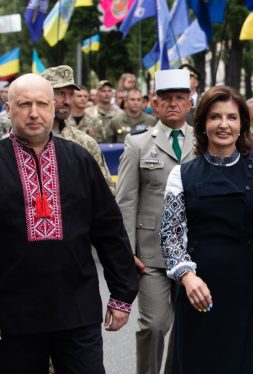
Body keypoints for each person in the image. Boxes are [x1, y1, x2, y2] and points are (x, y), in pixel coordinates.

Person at [0, 73, 138, 373]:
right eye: (24, 104)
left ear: (53, 107)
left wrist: (122, 294)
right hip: (13, 317)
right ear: (8, 109)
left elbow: (109, 229)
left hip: (77, 311)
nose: (34, 113)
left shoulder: (79, 159)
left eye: (41, 104)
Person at [160, 86, 253, 374]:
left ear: (242, 126)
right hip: (197, 284)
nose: (223, 125)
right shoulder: (181, 174)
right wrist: (187, 278)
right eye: (215, 117)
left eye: (232, 118)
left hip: (245, 284)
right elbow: (171, 235)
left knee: (244, 360)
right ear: (202, 125)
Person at [116, 69, 195, 374]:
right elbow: (125, 201)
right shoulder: (137, 144)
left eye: (180, 98)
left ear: (189, 103)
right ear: (155, 104)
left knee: (187, 328)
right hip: (151, 254)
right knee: (154, 324)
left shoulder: (203, 142)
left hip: (193, 251)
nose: (173, 104)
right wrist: (126, 252)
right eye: (166, 99)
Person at [41, 65, 115, 193]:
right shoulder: (21, 140)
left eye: (71, 94)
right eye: (60, 93)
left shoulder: (84, 143)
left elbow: (106, 192)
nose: (68, 101)